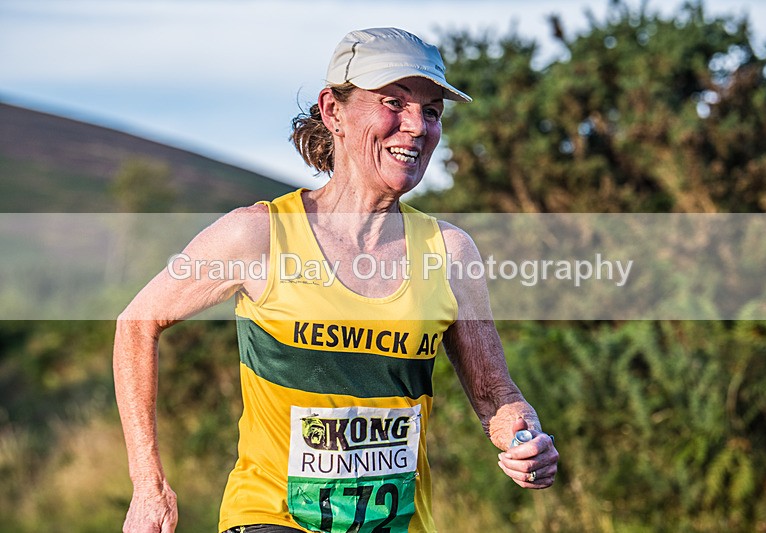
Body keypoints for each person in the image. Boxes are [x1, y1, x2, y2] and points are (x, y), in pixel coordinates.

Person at [114, 27, 559, 533]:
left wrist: (526, 440)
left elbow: (495, 395)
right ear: (333, 111)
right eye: (394, 102)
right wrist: (148, 487)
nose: (416, 126)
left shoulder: (449, 252)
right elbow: (137, 322)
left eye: (431, 111)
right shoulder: (258, 234)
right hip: (270, 518)